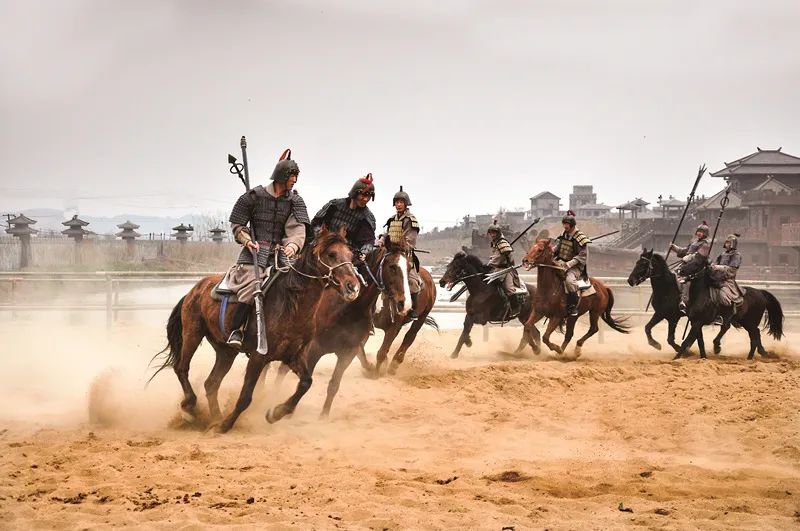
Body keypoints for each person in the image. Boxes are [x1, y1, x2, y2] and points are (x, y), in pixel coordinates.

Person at [225, 149, 310, 348]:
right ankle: (237, 330)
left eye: (296, 177)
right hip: (253, 253)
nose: (294, 181)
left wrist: (292, 245)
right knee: (253, 286)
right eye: (292, 177)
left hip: (281, 254)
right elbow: (238, 226)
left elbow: (297, 229)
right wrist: (247, 240)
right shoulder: (253, 197)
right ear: (281, 176)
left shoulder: (295, 202)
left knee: (299, 284)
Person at [376, 186, 421, 319]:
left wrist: (399, 246)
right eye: (397, 202)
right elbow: (388, 233)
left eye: (401, 202)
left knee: (412, 282)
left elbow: (410, 240)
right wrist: (382, 239)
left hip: (404, 255)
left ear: (406, 204)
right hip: (389, 253)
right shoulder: (392, 219)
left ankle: (413, 309)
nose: (399, 204)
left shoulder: (411, 220)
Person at [311, 173, 377, 258]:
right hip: (322, 247)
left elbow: (367, 241)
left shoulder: (367, 217)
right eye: (363, 194)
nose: (366, 199)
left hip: (347, 254)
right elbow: (316, 223)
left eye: (369, 196)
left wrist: (364, 253)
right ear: (355, 193)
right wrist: (322, 236)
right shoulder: (334, 205)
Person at [553, 210, 590, 316]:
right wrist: (551, 250)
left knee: (569, 281)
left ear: (572, 225)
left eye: (566, 224)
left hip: (574, 267)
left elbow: (582, 255)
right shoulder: (564, 234)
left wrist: (569, 264)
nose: (564, 226)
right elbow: (559, 247)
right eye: (563, 224)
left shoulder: (580, 238)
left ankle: (573, 306)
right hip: (561, 263)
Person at [670, 221, 710, 314]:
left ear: (705, 234)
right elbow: (684, 251)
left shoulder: (705, 245)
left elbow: (699, 257)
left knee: (686, 281)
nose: (699, 233)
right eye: (698, 231)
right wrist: (674, 247)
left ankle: (684, 301)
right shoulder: (694, 242)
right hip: (686, 265)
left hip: (696, 267)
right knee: (672, 275)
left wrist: (689, 258)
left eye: (702, 232)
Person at [486, 221, 522, 317]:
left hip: (506, 270)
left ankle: (515, 308)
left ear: (498, 233)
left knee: (509, 288)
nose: (492, 234)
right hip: (496, 269)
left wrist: (489, 264)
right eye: (491, 233)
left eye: (494, 232)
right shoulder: (495, 243)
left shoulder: (502, 243)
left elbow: (499, 258)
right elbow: (495, 256)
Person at [711, 233, 743, 309]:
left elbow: (732, 270)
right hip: (717, 279)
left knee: (723, 296)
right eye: (726, 242)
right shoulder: (722, 254)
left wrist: (719, 267)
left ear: (733, 244)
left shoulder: (736, 255)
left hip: (728, 281)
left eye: (729, 243)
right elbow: (715, 264)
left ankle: (728, 311)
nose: (727, 244)